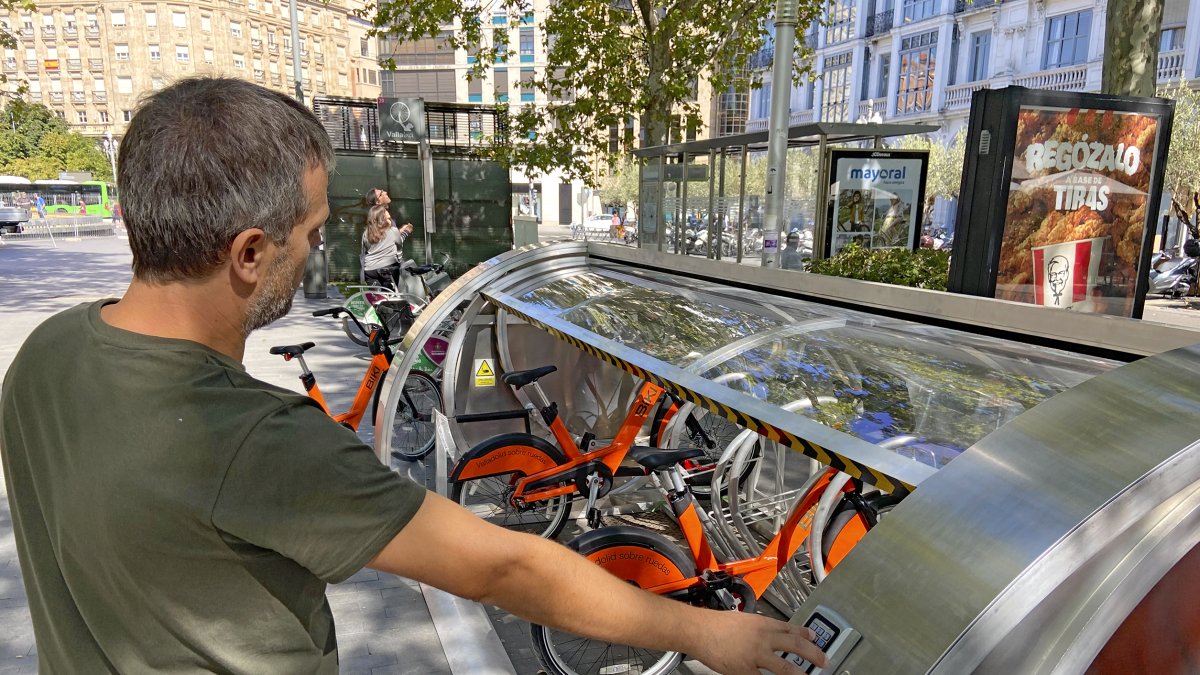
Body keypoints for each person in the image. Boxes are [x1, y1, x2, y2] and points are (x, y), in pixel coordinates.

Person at [0, 77, 825, 674]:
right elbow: (506, 567)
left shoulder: (49, 353)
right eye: (313, 231)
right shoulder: (253, 437)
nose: (320, 249)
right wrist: (706, 632)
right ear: (250, 252)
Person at [362, 203, 413, 289]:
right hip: (388, 269)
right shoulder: (392, 230)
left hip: (370, 270)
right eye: (385, 211)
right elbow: (399, 245)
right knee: (389, 297)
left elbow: (365, 249)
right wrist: (406, 232)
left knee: (376, 297)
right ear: (381, 216)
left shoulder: (366, 233)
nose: (388, 213)